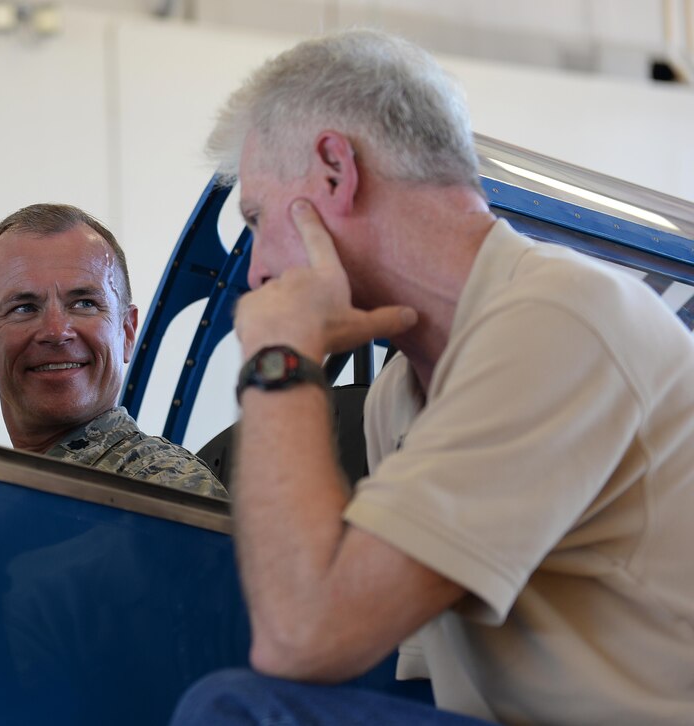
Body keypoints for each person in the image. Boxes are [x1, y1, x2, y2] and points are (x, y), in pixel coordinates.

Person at [171, 29, 694, 725]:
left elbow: (303, 638)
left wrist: (280, 361)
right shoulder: (402, 391)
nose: (258, 272)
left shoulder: (559, 317)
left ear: (334, 169)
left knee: (234, 708)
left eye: (259, 219)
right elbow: (405, 671)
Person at [0, 203, 227, 500]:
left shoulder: (162, 493)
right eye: (24, 308)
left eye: (84, 304)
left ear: (128, 332)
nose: (57, 332)